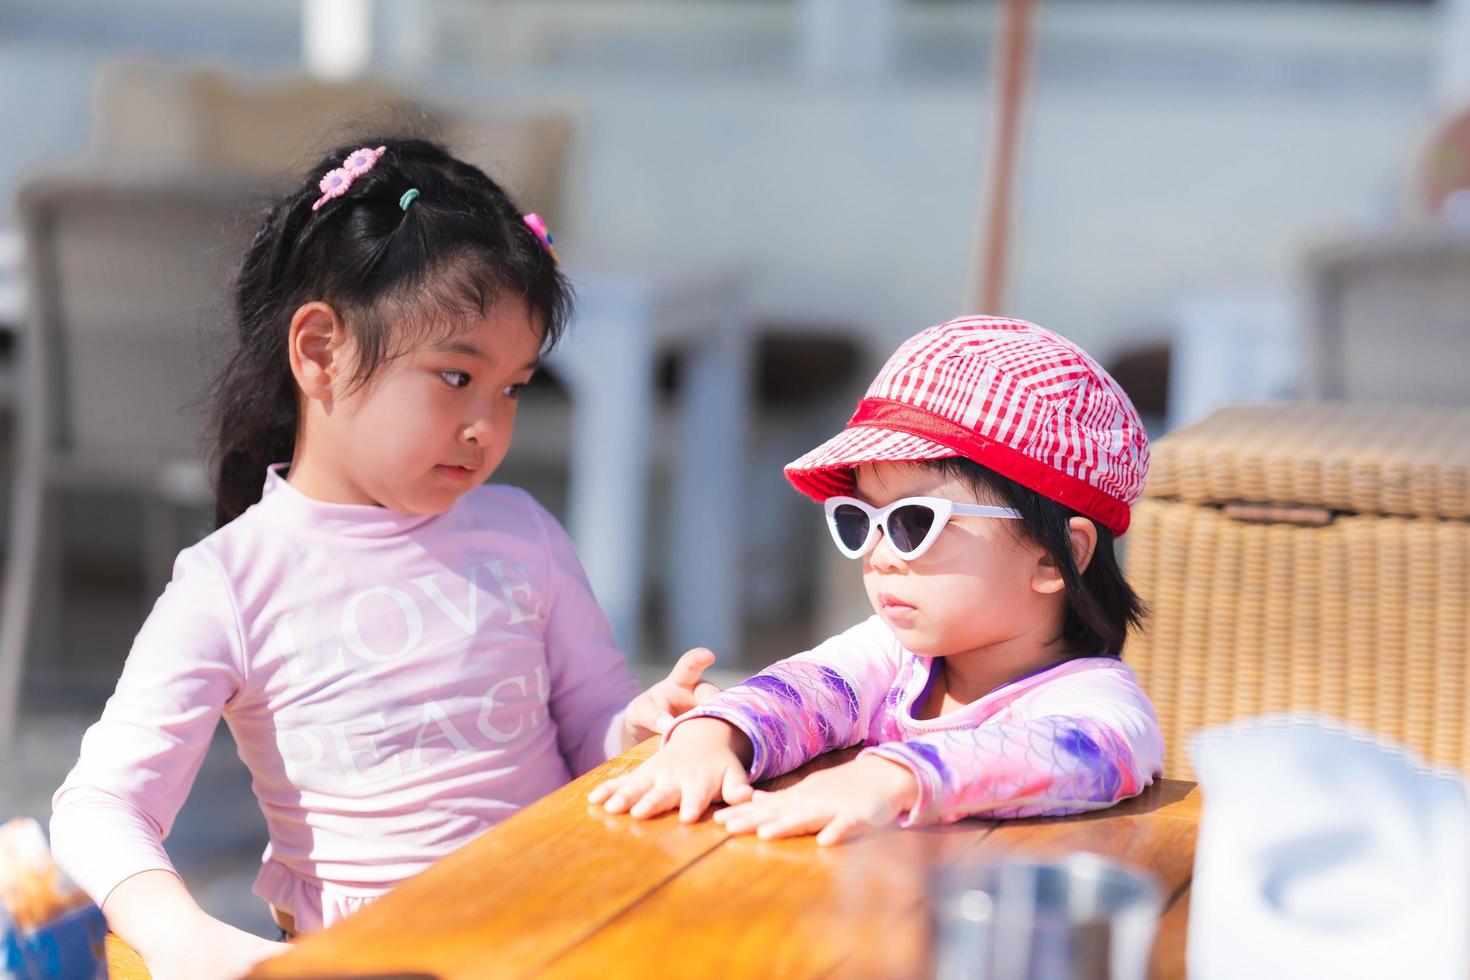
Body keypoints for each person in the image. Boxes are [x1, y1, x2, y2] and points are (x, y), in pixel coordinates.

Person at [49, 138, 716, 979]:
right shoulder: (232, 584)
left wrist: (645, 728)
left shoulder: (522, 534)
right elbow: (98, 804)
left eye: (512, 386)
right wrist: (186, 939)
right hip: (374, 961)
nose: (488, 426)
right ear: (321, 351)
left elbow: (594, 727)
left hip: (563, 934)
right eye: (454, 377)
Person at [592, 316, 1164, 844]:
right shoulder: (891, 656)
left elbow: (1092, 751)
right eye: (859, 518)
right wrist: (713, 735)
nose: (880, 555)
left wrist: (891, 778)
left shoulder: (1094, 698)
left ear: (1054, 555)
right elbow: (804, 691)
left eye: (916, 521)